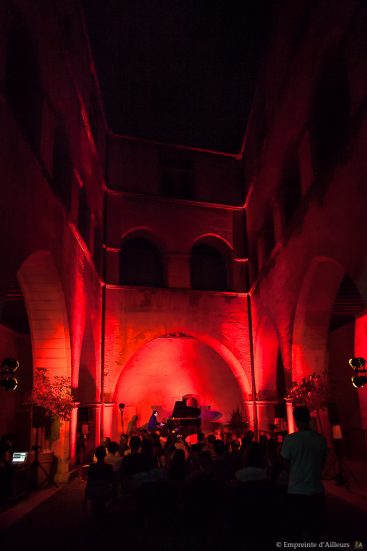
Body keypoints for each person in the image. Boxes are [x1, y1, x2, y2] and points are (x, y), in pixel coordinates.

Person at [281, 406, 328, 538]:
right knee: (316, 528)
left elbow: (285, 463)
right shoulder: (320, 439)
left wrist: (295, 473)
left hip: (296, 490)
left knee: (298, 529)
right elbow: (322, 462)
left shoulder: (290, 440)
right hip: (316, 489)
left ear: (295, 420)